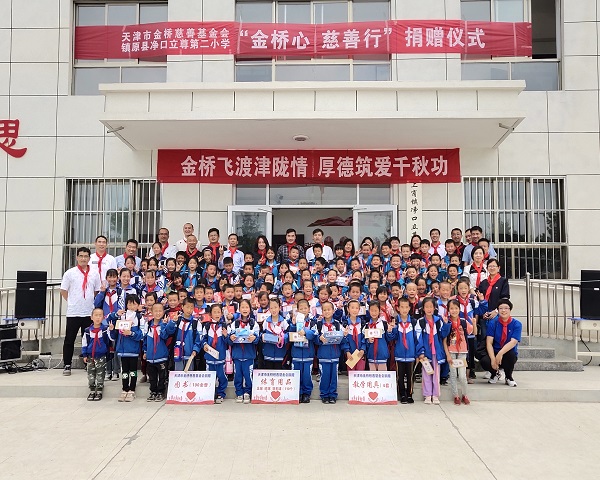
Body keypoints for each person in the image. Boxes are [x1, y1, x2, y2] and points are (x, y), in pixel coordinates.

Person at [60, 246, 101, 376]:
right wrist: (72, 301)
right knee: (69, 339)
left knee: (88, 339)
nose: (83, 259)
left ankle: (87, 363)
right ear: (77, 257)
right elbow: (63, 290)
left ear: (89, 258)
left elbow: (96, 291)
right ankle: (67, 365)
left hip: (88, 312)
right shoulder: (70, 273)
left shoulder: (94, 273)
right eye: (81, 256)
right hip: (73, 312)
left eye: (86, 256)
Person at [107, 294, 144, 402]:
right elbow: (112, 329)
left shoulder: (139, 318)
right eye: (129, 304)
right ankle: (124, 389)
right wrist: (112, 327)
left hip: (133, 350)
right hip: (122, 350)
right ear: (126, 305)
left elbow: (142, 335)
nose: (132, 306)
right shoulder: (121, 316)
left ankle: (132, 389)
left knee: (133, 370)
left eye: (134, 304)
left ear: (138, 305)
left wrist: (131, 333)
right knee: (124, 371)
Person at [480, 298, 522, 387]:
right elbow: (489, 342)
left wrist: (500, 354)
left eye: (506, 308)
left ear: (510, 310)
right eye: (501, 308)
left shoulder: (517, 324)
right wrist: (493, 359)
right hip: (494, 351)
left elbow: (513, 342)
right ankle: (495, 374)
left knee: (511, 355)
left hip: (507, 352)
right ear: (498, 310)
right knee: (484, 360)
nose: (503, 310)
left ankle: (509, 377)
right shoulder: (493, 323)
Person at [416, 297, 450, 405]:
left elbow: (443, 335)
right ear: (423, 308)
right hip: (426, 352)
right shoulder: (420, 322)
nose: (429, 309)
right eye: (427, 307)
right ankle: (427, 395)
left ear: (434, 308)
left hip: (436, 352)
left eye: (431, 306)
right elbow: (419, 338)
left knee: (436, 374)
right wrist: (421, 352)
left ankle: (435, 395)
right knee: (426, 373)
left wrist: (446, 324)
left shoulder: (438, 321)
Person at [227, 299, 259, 404]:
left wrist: (254, 338)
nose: (245, 309)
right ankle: (239, 393)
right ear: (239, 309)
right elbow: (229, 339)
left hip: (249, 356)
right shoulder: (234, 324)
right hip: (237, 355)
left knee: (248, 376)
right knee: (238, 376)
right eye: (242, 307)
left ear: (250, 309)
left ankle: (247, 392)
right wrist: (231, 338)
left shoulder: (253, 323)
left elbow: (257, 338)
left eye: (247, 307)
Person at [386, 297, 417, 404]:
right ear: (398, 308)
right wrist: (390, 330)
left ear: (409, 308)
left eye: (406, 307)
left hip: (411, 354)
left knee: (410, 376)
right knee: (400, 376)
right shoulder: (395, 322)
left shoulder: (413, 322)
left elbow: (417, 339)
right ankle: (402, 394)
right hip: (399, 354)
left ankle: (409, 394)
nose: (404, 309)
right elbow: (391, 338)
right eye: (402, 307)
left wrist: (418, 352)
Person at [314, 301, 346, 404]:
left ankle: (332, 395)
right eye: (325, 310)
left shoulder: (337, 324)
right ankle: (324, 395)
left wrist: (344, 334)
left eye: (329, 309)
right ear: (322, 311)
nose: (327, 312)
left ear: (333, 311)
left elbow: (343, 338)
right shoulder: (318, 324)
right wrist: (319, 338)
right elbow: (314, 338)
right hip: (323, 355)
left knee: (334, 377)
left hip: (335, 355)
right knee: (324, 376)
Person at [143, 303, 176, 402]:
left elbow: (165, 336)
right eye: (155, 311)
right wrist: (145, 351)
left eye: (160, 311)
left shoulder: (164, 323)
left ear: (163, 312)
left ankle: (161, 392)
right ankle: (153, 391)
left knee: (162, 377)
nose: (158, 313)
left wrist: (164, 324)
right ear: (151, 312)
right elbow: (145, 340)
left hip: (161, 356)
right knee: (152, 377)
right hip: (150, 357)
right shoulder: (148, 324)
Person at [443, 300, 471, 405]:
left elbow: (473, 332)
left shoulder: (463, 322)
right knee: (453, 375)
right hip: (451, 351)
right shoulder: (447, 322)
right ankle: (456, 395)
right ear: (448, 310)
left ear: (459, 309)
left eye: (456, 308)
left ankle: (465, 394)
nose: (454, 310)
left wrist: (473, 323)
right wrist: (447, 355)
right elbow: (444, 340)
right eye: (451, 308)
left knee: (462, 376)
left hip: (462, 352)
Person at [289, 299, 317, 403]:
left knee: (307, 376)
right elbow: (290, 334)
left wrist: (305, 332)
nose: (303, 310)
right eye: (301, 309)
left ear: (309, 309)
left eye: (305, 308)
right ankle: (297, 392)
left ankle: (306, 393)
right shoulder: (294, 320)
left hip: (308, 354)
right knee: (296, 374)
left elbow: (314, 334)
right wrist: (293, 325)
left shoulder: (312, 321)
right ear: (297, 310)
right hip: (296, 353)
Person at [82, 308, 111, 401]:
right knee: (90, 374)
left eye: (100, 315)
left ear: (103, 317)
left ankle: (99, 390)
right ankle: (92, 390)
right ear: (91, 317)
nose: (98, 318)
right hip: (90, 356)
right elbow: (84, 343)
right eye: (96, 315)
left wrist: (112, 330)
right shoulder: (87, 331)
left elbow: (111, 339)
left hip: (101, 355)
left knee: (100, 373)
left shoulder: (105, 330)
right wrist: (84, 354)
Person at [202, 304, 229, 403]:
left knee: (222, 376)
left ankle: (221, 394)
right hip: (209, 357)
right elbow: (203, 338)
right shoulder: (207, 326)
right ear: (210, 314)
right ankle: (210, 393)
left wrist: (226, 336)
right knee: (210, 376)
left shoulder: (224, 326)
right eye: (215, 312)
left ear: (221, 314)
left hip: (220, 357)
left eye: (219, 312)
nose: (217, 314)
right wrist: (204, 344)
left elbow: (229, 343)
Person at [173, 298, 202, 371]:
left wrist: (195, 350)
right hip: (177, 353)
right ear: (182, 307)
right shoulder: (177, 319)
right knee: (178, 374)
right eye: (187, 307)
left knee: (189, 374)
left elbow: (198, 339)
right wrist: (172, 322)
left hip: (190, 354)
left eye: (191, 308)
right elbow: (169, 332)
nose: (189, 310)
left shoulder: (196, 322)